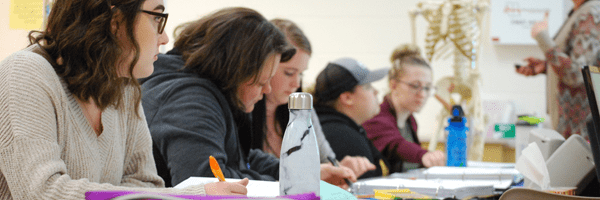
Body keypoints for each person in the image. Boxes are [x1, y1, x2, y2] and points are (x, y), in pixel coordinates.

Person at [0, 0, 249, 198]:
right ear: (115, 20)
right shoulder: (25, 72)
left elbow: (145, 183)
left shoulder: (124, 87)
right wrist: (190, 196)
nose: (164, 39)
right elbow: (41, 192)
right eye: (156, 18)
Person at [140, 7, 355, 188]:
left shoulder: (211, 92)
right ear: (235, 71)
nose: (268, 90)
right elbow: (210, 183)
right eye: (262, 82)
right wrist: (295, 182)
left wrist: (303, 174)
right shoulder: (187, 100)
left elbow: (241, 158)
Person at [248, 18, 376, 178]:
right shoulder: (244, 109)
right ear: (265, 65)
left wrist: (338, 168)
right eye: (289, 72)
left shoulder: (302, 109)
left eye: (301, 73)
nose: (296, 83)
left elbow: (325, 161)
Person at [516, 0, 599, 138]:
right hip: (572, 131)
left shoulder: (591, 13)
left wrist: (542, 37)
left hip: (582, 136)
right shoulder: (580, 11)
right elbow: (580, 64)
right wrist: (546, 67)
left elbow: (577, 75)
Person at [362, 44, 446, 173]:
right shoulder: (377, 118)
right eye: (415, 85)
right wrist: (424, 155)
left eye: (427, 87)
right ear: (393, 85)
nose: (422, 94)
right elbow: (395, 144)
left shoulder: (410, 121)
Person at [311, 57, 391, 179]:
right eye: (368, 86)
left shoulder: (337, 127)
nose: (376, 91)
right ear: (347, 98)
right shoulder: (343, 137)